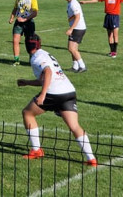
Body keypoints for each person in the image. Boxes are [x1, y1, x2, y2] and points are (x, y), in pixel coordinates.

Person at [17, 34, 97, 166]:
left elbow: (48, 72)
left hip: (54, 93)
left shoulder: (36, 57)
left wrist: (43, 94)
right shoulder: (46, 54)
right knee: (74, 126)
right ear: (39, 44)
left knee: (28, 113)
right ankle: (91, 159)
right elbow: (46, 78)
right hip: (69, 91)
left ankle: (36, 150)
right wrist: (27, 82)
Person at [9, 0, 38, 66]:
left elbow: (35, 12)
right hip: (18, 22)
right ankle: (16, 60)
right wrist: (12, 17)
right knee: (15, 40)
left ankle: (31, 59)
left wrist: (25, 19)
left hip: (28, 23)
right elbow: (15, 8)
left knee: (29, 42)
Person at [62, 0, 88, 73]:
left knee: (71, 48)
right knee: (73, 48)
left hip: (78, 28)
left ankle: (82, 66)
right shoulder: (70, 3)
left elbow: (78, 17)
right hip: (78, 28)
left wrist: (71, 29)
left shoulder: (73, 3)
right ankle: (75, 66)